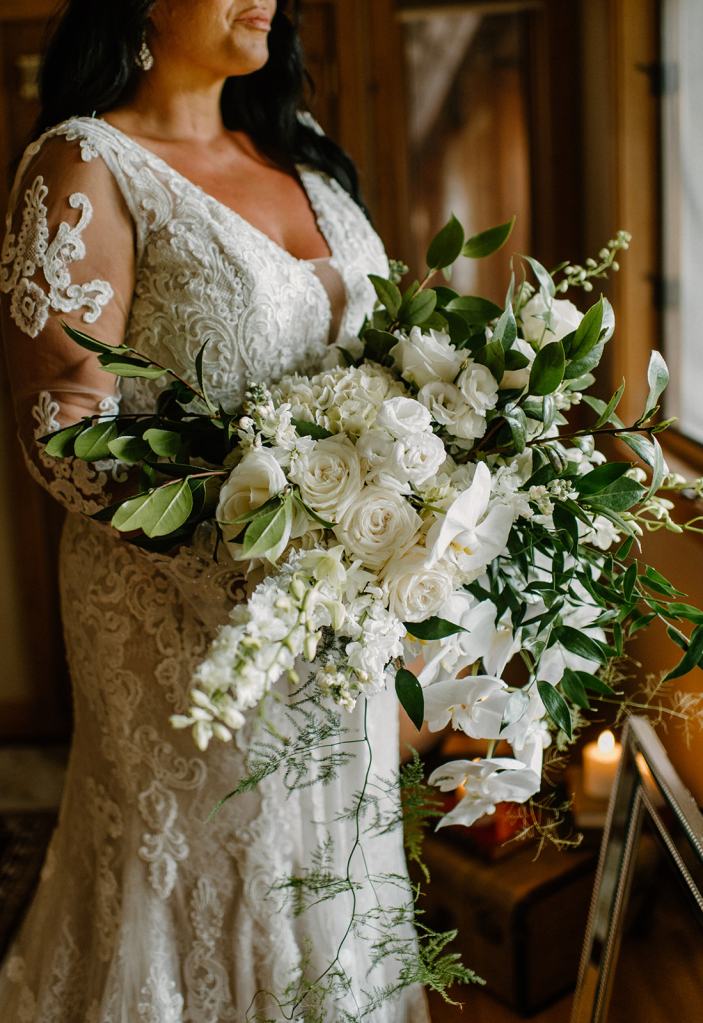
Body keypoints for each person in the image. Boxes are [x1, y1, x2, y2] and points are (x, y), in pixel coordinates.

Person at [0, 2, 430, 1019]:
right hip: (182, 632)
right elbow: (59, 436)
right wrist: (247, 553)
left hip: (344, 625)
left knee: (335, 870)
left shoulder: (302, 151)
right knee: (209, 872)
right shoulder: (87, 164)